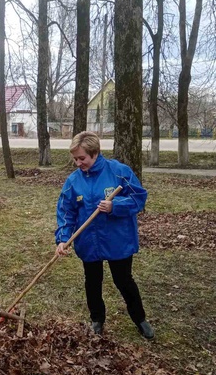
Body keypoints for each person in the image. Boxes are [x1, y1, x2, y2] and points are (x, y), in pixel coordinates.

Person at [55, 130, 154, 339]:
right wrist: (63, 239)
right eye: (75, 159)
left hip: (117, 239)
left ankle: (140, 319)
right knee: (92, 282)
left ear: (95, 153)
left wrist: (114, 205)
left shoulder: (119, 172)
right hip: (89, 241)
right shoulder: (73, 181)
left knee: (124, 280)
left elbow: (139, 198)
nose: (78, 163)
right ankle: (97, 319)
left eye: (82, 158)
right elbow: (66, 211)